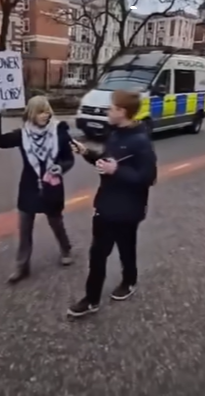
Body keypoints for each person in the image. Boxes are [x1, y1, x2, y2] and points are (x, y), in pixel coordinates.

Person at [67, 90, 157, 318]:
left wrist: (117, 170)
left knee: (126, 249)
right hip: (106, 205)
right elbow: (106, 160)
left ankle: (129, 280)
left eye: (111, 108)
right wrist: (86, 153)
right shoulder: (115, 134)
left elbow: (149, 177)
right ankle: (92, 299)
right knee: (97, 253)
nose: (107, 111)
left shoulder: (140, 141)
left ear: (122, 112)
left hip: (127, 209)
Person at [0, 96, 75, 284]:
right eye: (41, 111)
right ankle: (22, 266)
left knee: (56, 223)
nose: (46, 115)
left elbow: (69, 159)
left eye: (48, 110)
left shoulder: (59, 132)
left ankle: (66, 249)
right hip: (29, 186)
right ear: (31, 114)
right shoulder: (23, 134)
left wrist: (61, 168)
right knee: (25, 228)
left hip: (52, 185)